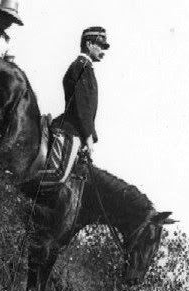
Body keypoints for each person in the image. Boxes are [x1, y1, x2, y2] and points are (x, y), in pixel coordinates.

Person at [37, 26, 110, 186]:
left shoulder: (86, 68)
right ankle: (11, 186)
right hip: (69, 130)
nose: (103, 50)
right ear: (89, 44)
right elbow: (81, 106)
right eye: (101, 45)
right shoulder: (80, 67)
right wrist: (89, 137)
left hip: (76, 132)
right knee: (58, 176)